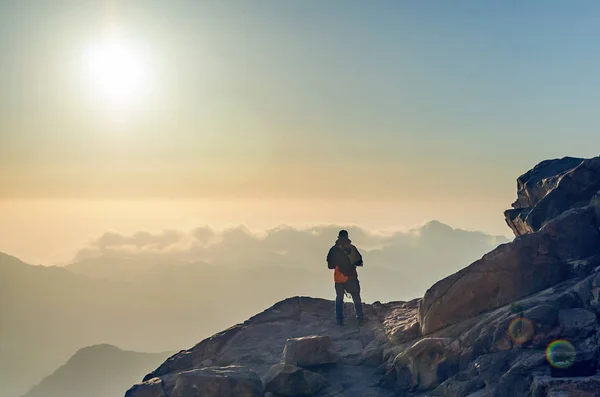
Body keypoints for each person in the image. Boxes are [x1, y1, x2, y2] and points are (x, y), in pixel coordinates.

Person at [326, 229, 364, 326]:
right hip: (351, 277)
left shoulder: (333, 250)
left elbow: (330, 266)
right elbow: (359, 261)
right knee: (356, 297)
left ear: (338, 237)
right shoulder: (352, 248)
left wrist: (338, 264)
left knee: (339, 298)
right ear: (347, 237)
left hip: (339, 278)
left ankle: (340, 320)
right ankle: (360, 319)